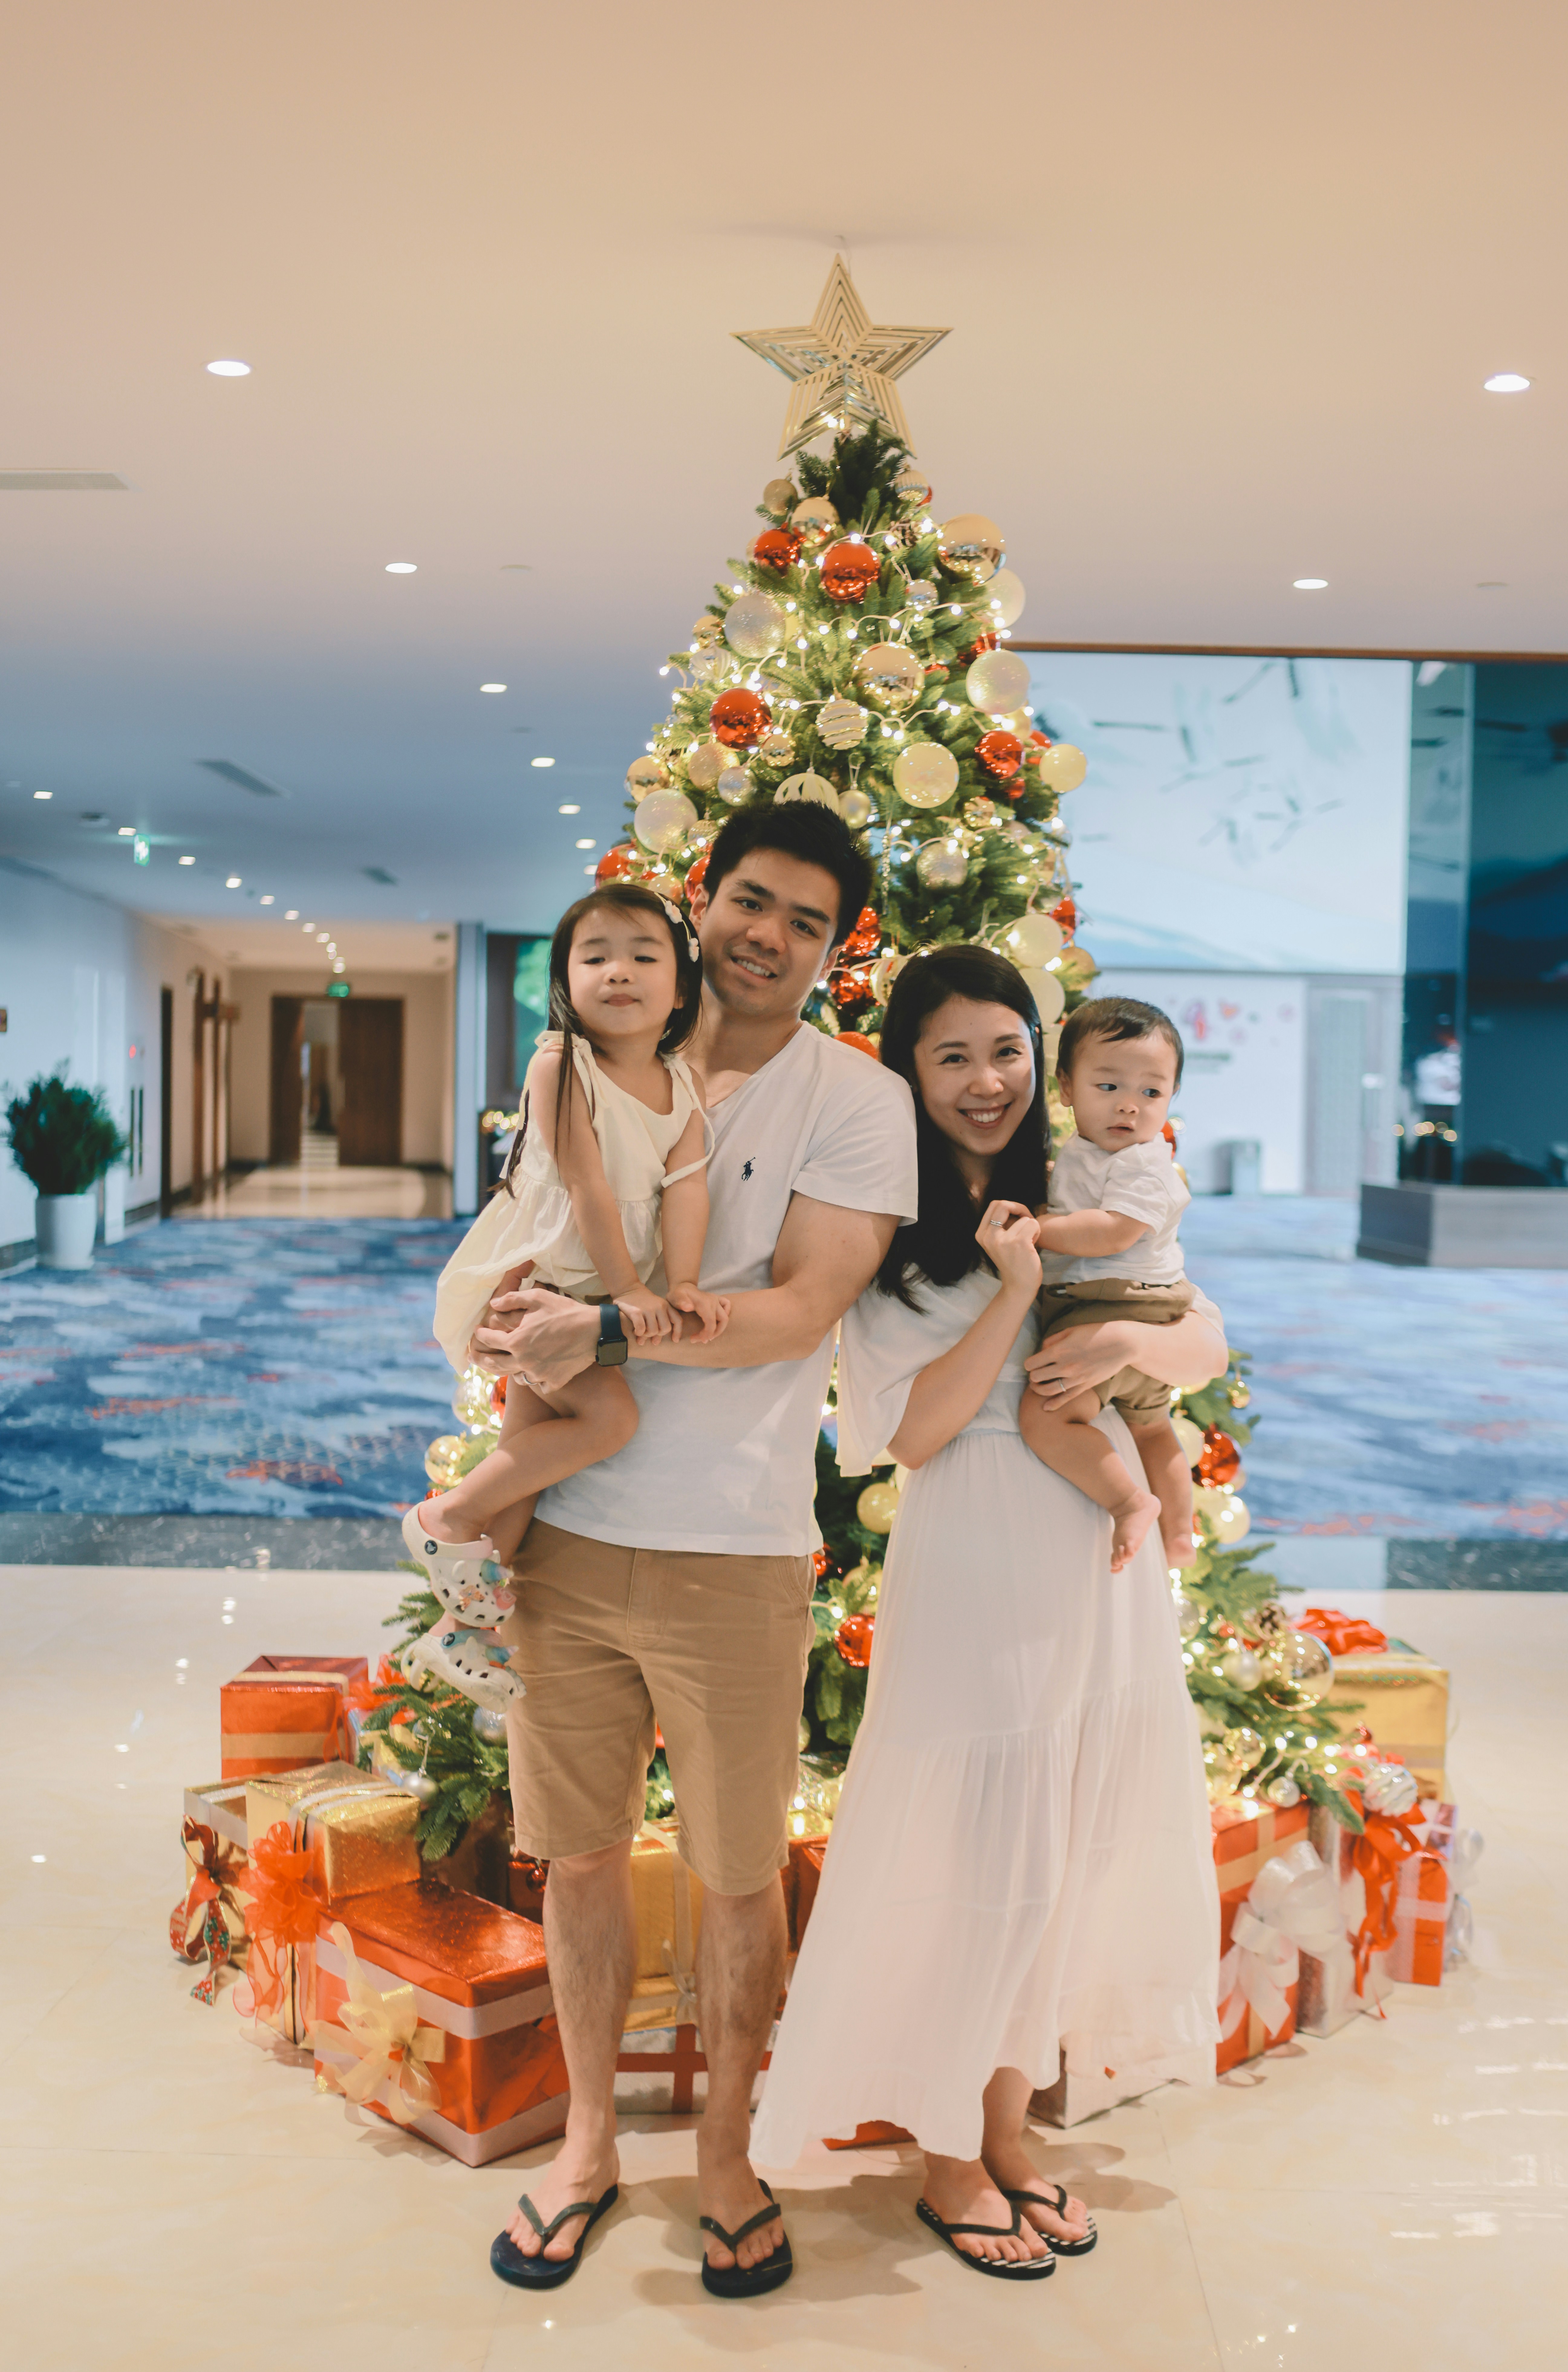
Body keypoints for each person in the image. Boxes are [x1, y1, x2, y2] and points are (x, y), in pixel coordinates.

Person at [469, 803, 917, 2296]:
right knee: (577, 1857)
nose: (763, 933)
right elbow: (525, 1236)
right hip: (569, 1539)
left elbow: (797, 1311)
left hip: (735, 1550)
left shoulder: (850, 1100)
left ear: (836, 943)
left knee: (737, 1875)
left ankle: (727, 2145)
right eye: (743, 899)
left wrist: (608, 1327)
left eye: (801, 915)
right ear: (700, 903)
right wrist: (500, 1317)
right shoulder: (590, 1072)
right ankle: (590, 2136)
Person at [750, 945, 1223, 2279]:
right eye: (952, 1054)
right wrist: (1015, 1293)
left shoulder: (1071, 1182)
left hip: (1097, 1555)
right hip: (979, 1557)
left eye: (1008, 1049)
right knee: (981, 1860)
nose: (986, 1080)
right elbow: (913, 1431)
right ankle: (949, 2150)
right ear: (908, 1066)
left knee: (1056, 1858)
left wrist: (1133, 1344)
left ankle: (1007, 2129)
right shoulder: (887, 1226)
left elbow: (1204, 1333)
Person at [402, 883, 724, 1708]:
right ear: (566, 980)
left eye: (644, 955)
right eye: (595, 956)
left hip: (583, 1294)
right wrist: (626, 1290)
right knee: (611, 1418)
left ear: (681, 987)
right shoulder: (562, 1060)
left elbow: (687, 1190)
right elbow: (584, 1181)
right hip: (542, 1280)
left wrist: (679, 1281)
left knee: (527, 1475)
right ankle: (443, 1519)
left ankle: (459, 1629)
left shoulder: (682, 1084)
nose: (619, 971)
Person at [1017, 995, 1198, 1574]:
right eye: (1109, 1087)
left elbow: (1113, 1233)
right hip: (1136, 1307)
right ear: (1067, 1088)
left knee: (1046, 1416)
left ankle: (1130, 1502)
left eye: (1151, 1092)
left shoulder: (1146, 1163)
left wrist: (1040, 1229)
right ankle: (1180, 1540)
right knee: (1153, 1428)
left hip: (1117, 1303)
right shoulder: (1086, 1156)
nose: (1130, 1108)